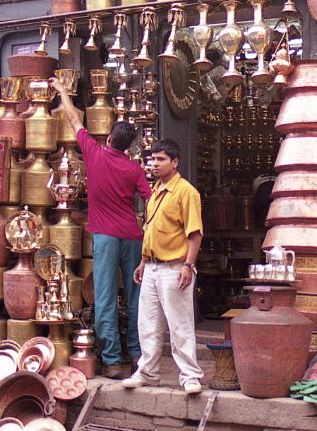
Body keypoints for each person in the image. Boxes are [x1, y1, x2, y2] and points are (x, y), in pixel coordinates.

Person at [52, 79, 151, 380]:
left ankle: (112, 361)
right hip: (133, 237)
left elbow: (73, 119)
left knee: (105, 297)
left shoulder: (94, 154)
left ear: (109, 139)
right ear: (129, 146)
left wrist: (62, 91)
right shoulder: (134, 169)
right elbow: (152, 199)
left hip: (106, 236)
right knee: (135, 298)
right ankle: (136, 354)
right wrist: (148, 227)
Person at [123, 139, 205, 395]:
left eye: (160, 159)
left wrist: (188, 265)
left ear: (175, 162)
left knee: (179, 324)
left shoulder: (187, 192)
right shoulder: (156, 191)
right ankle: (147, 372)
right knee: (147, 323)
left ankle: (190, 376)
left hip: (175, 266)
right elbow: (152, 231)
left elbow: (195, 233)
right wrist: (143, 262)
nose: (154, 164)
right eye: (152, 159)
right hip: (152, 267)